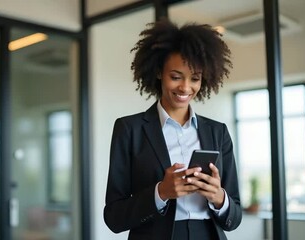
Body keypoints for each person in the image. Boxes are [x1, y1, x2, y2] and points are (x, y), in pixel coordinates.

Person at [103, 19, 242, 240]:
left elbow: (234, 216)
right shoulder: (129, 129)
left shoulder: (218, 132)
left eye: (194, 78)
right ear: (159, 72)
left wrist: (219, 198)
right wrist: (161, 192)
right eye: (176, 77)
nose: (185, 87)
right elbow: (114, 217)